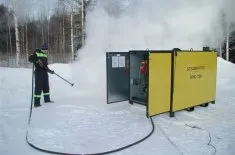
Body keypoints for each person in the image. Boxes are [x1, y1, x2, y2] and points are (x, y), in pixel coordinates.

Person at [28, 43, 55, 108]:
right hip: (39, 73)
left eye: (46, 49)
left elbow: (45, 66)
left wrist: (50, 71)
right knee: (38, 88)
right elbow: (30, 59)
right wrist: (37, 60)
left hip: (44, 73)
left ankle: (47, 100)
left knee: (46, 87)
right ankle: (36, 103)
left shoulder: (45, 55)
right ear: (42, 48)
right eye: (44, 49)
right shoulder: (37, 52)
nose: (46, 50)